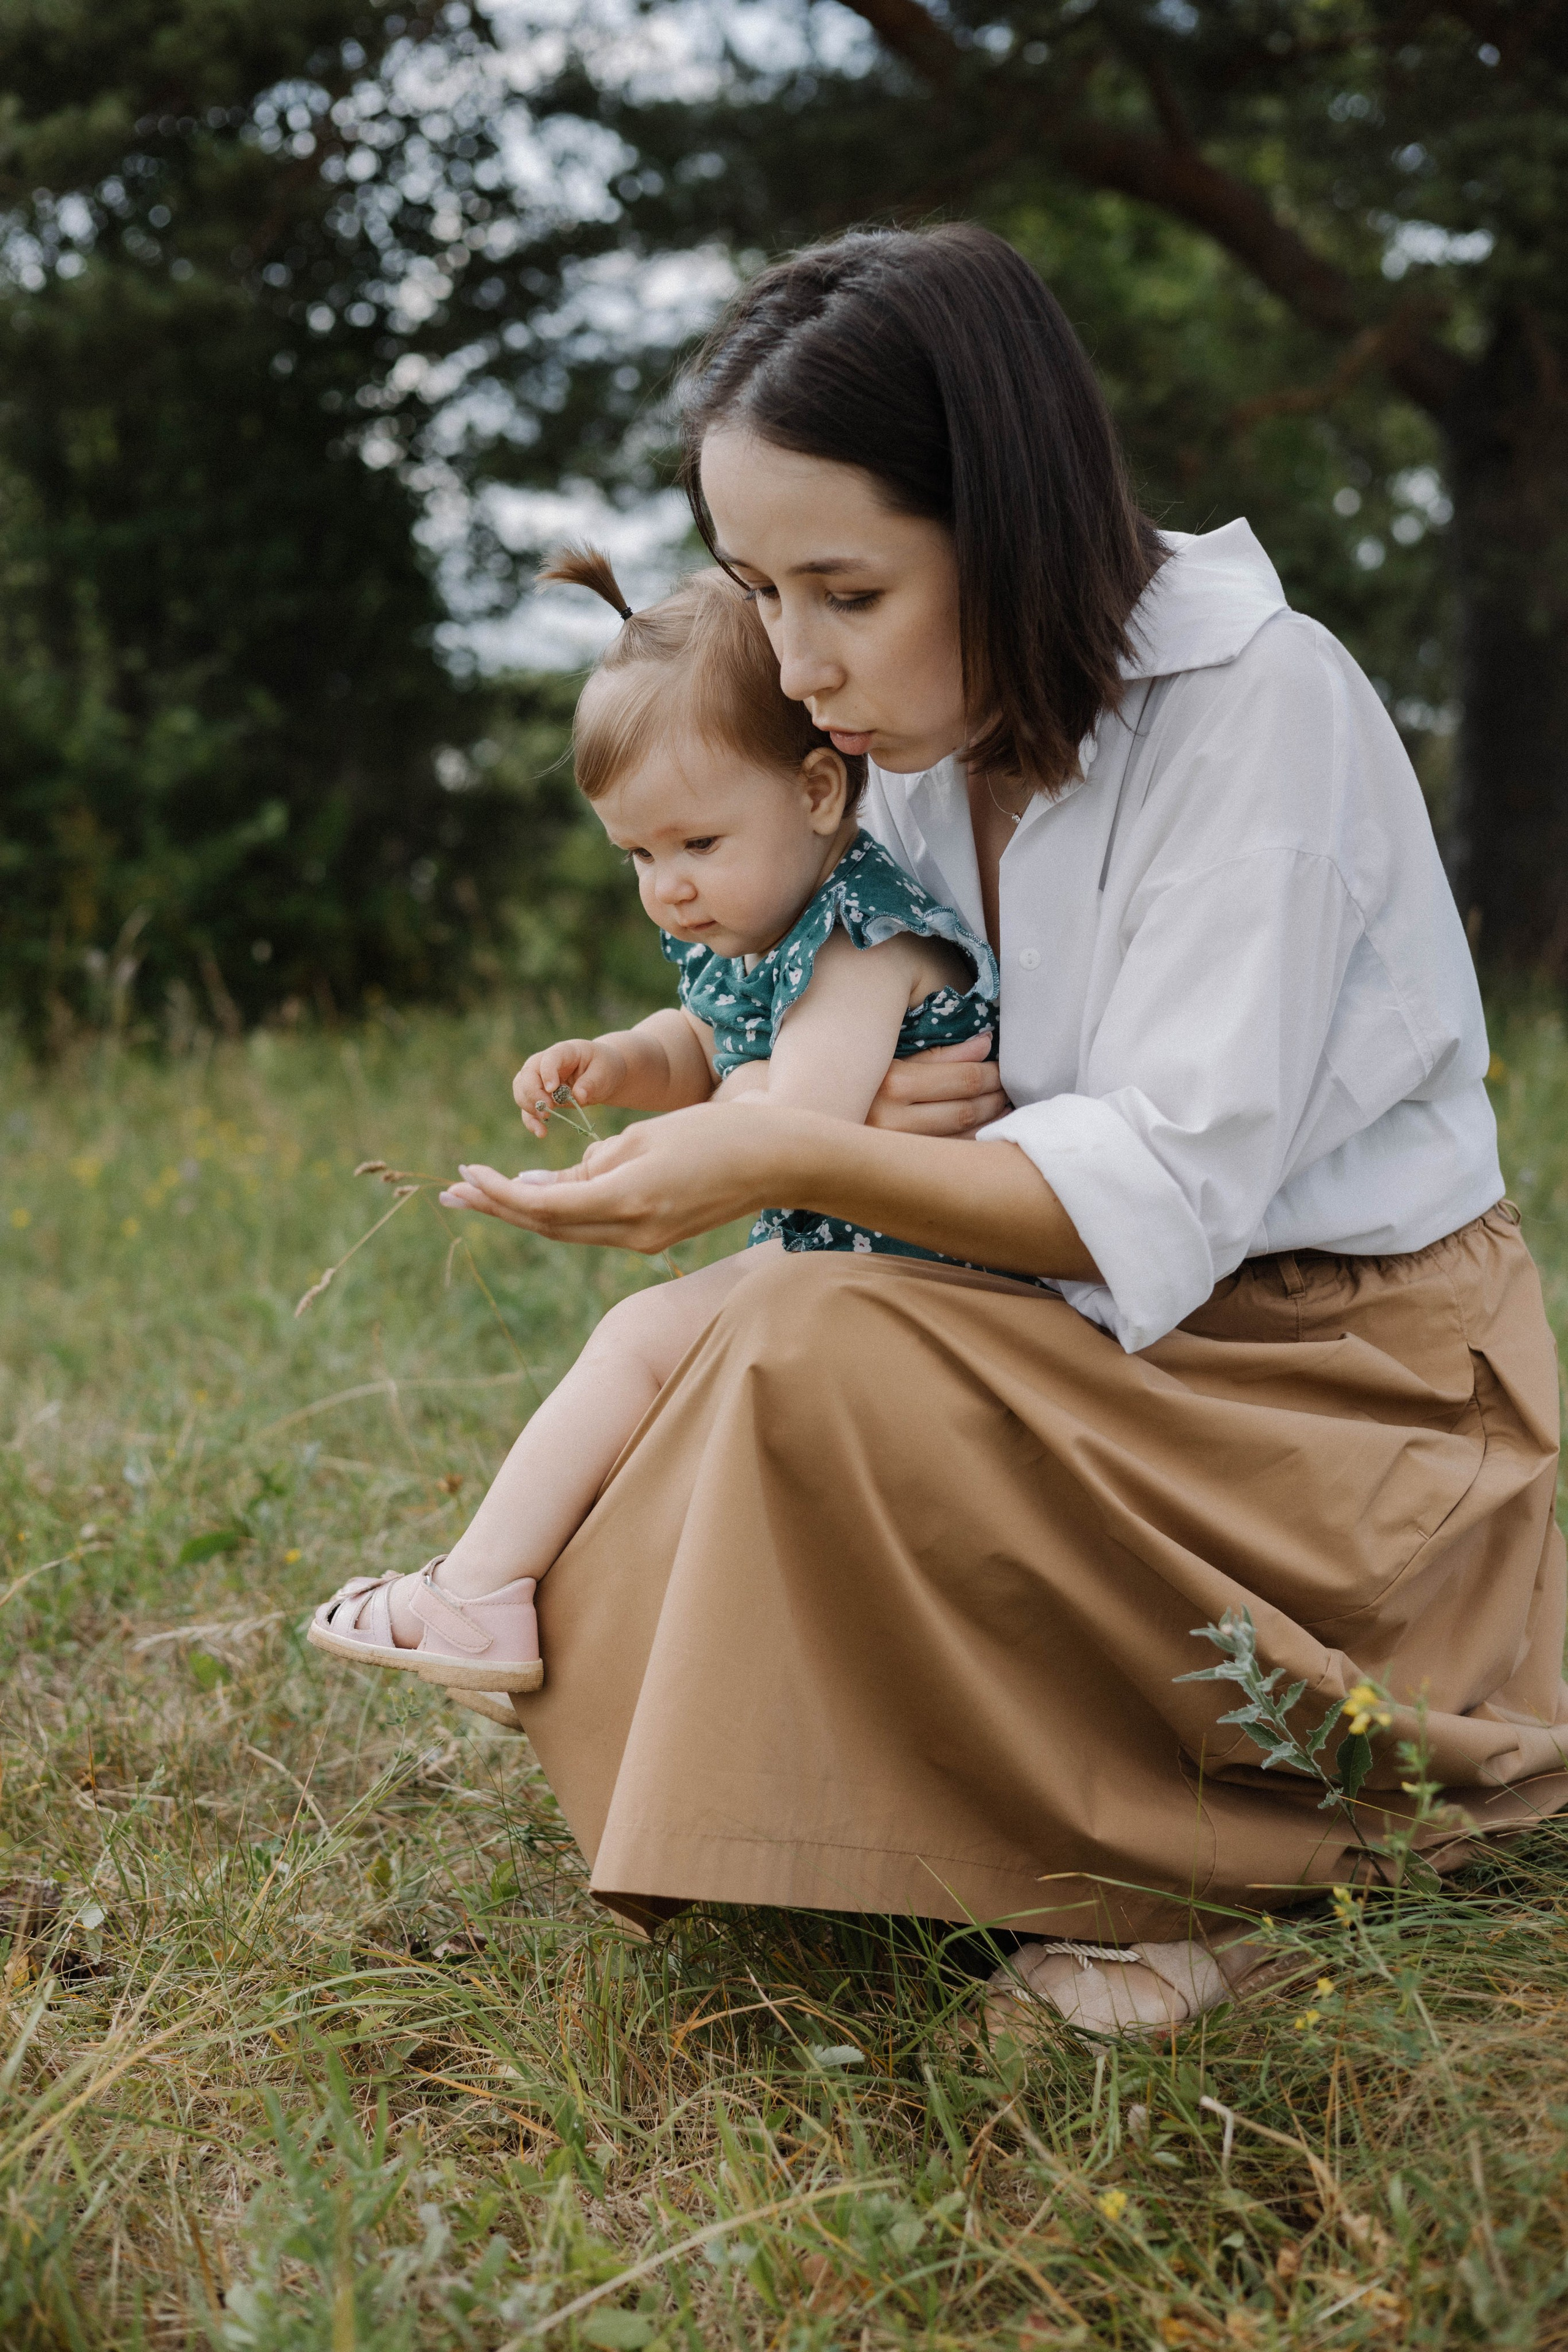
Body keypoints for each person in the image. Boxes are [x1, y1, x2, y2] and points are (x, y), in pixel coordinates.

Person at [435, 225, 1567, 2038]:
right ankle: (906, 1821)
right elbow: (847, 1008)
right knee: (707, 1352)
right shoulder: (904, 736)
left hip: (1337, 1384)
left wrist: (799, 1157)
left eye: (845, 590)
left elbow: (1169, 1188)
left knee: (802, 1332)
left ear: (1012, 520)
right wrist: (810, 1107)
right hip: (1080, 1329)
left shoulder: (1256, 709)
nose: (794, 661)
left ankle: (1250, 1870)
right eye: (756, 589)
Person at [307, 545, 1005, 1700]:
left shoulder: (859, 937)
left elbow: (797, 1116)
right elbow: (705, 1044)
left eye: (695, 845)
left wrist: (704, 1124)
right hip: (847, 1266)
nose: (667, 887)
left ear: (817, 793)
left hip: (936, 1282)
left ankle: (478, 1595)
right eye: (637, 853)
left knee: (639, 1342)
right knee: (663, 1370)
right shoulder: (748, 918)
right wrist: (618, 1062)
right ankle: (592, 1617)